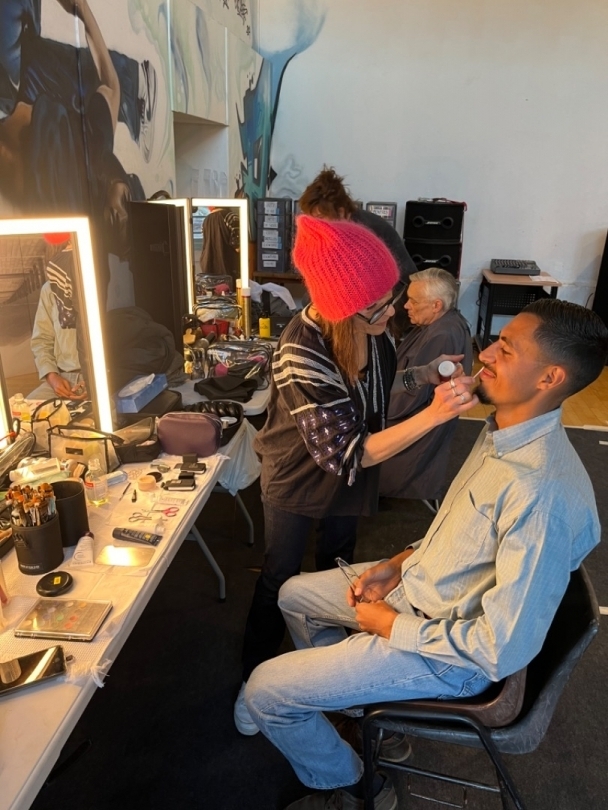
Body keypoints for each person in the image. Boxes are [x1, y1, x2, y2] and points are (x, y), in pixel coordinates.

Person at [243, 298, 608, 810]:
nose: (485, 354)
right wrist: (395, 565)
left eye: (506, 349)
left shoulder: (540, 493)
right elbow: (459, 533)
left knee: (265, 691)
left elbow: (499, 648)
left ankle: (361, 787)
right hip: (421, 590)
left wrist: (391, 626)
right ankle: (366, 715)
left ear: (549, 378)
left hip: (449, 655)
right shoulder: (503, 433)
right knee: (293, 595)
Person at [235, 214, 477, 735]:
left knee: (338, 568)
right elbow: (348, 453)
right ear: (343, 308)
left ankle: (331, 674)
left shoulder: (375, 331)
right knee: (279, 574)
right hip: (298, 478)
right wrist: (434, 415)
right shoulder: (302, 350)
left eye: (393, 299)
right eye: (380, 305)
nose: (393, 311)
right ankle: (251, 675)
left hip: (350, 473)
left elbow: (383, 386)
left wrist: (424, 375)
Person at [379, 267, 473, 502]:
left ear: (436, 305)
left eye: (413, 300)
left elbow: (406, 403)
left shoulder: (442, 336)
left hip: (412, 426)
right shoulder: (446, 323)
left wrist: (370, 405)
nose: (405, 306)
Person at [299, 167, 417, 338]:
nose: (315, 224)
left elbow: (405, 278)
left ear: (341, 212)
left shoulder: (364, 230)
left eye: (319, 218)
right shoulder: (329, 232)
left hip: (391, 296)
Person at [28, 235, 88, 401]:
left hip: (102, 377)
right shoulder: (49, 290)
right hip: (63, 378)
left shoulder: (98, 286)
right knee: (22, 412)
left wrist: (94, 381)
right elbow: (41, 340)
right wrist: (52, 377)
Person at [198, 206, 241, 282]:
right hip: (227, 266)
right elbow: (238, 246)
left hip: (208, 265)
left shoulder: (205, 221)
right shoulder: (231, 217)